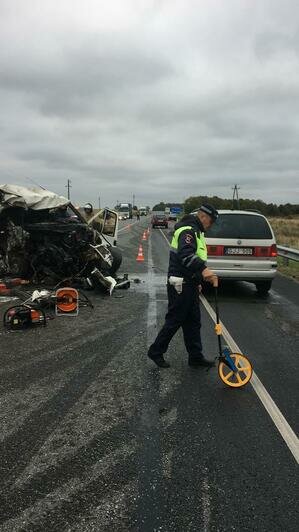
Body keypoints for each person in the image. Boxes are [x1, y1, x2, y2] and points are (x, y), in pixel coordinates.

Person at [147, 204, 219, 368]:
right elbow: (186, 256)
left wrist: (197, 281)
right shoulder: (188, 231)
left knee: (193, 322)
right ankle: (155, 351)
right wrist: (204, 270)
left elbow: (190, 259)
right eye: (211, 222)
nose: (211, 225)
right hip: (180, 285)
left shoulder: (196, 231)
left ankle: (195, 357)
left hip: (190, 283)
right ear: (203, 217)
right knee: (175, 320)